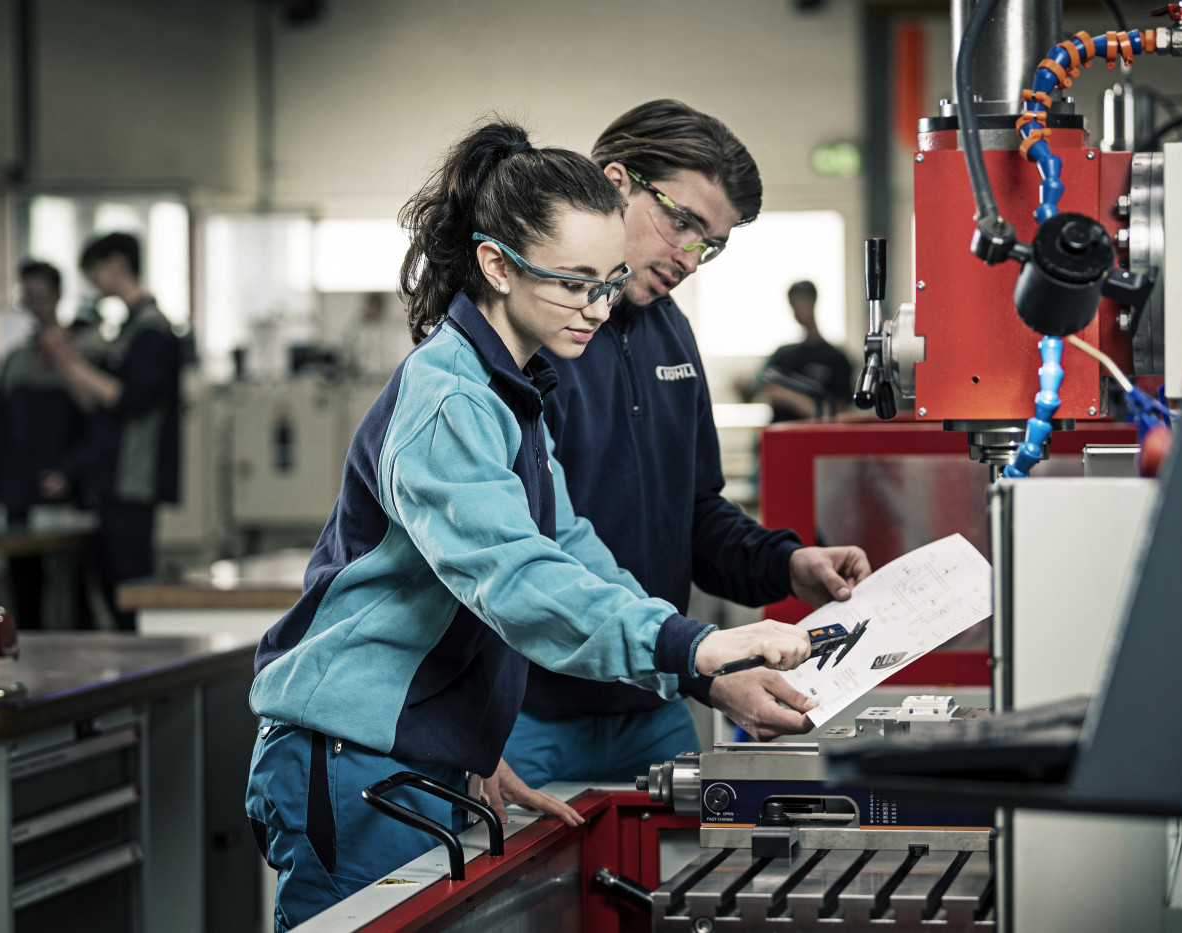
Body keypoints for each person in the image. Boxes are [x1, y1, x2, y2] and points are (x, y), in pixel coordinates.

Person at [243, 121, 812, 931]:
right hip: (349, 756)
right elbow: (515, 580)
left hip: (418, 756)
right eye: (574, 282)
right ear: (497, 265)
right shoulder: (449, 401)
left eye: (609, 282)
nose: (598, 307)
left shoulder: (513, 391)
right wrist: (691, 644)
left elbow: (570, 551)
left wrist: (686, 662)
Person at [491, 101, 872, 804]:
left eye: (712, 243)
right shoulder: (527, 340)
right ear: (615, 183)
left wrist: (786, 563)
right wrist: (703, 667)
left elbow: (692, 510)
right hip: (527, 714)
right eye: (683, 222)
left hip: (653, 705)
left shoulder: (671, 337)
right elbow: (524, 555)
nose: (691, 257)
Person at [40, 233, 182, 631]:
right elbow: (101, 405)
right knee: (107, 584)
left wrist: (72, 364)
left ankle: (148, 685)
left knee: (130, 589)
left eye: (95, 271)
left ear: (117, 264)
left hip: (132, 477)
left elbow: (132, 400)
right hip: (110, 476)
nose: (94, 282)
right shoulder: (129, 328)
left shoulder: (152, 329)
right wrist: (67, 368)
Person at [0, 260, 92, 628]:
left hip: (67, 496)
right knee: (25, 599)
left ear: (58, 295)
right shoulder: (14, 363)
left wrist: (69, 471)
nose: (34, 306)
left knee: (74, 598)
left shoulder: (82, 356)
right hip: (19, 498)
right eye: (27, 297)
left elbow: (99, 426)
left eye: (40, 296)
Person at [739, 280, 855, 421]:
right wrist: (741, 387)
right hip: (778, 437)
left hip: (813, 439)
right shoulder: (782, 354)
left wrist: (786, 395)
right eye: (793, 304)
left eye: (801, 301)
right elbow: (750, 394)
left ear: (813, 301)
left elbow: (837, 413)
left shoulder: (837, 358)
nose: (797, 309)